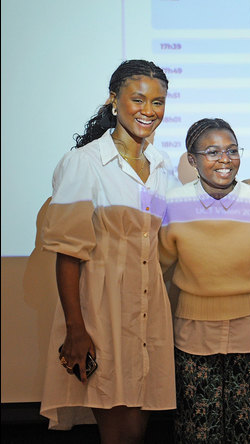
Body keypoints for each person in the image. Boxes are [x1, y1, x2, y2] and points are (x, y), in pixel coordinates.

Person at [40, 60, 177, 442]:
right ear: (114, 101)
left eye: (159, 102)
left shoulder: (162, 167)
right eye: (138, 99)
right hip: (102, 315)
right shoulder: (83, 163)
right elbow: (68, 253)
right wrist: (75, 329)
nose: (149, 111)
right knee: (123, 432)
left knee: (137, 426)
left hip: (149, 315)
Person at [159, 118, 250, 443]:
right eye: (212, 152)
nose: (225, 159)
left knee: (249, 431)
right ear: (192, 159)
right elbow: (158, 267)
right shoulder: (174, 203)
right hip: (192, 334)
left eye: (232, 150)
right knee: (198, 431)